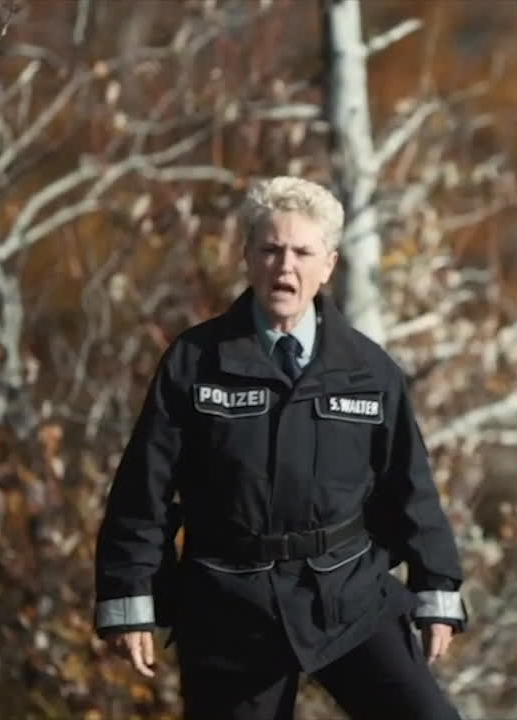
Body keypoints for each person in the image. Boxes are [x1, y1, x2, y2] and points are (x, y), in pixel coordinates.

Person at [93, 176, 466, 719]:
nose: (284, 267)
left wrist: (437, 587)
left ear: (328, 265)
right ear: (247, 257)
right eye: (270, 250)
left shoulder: (368, 370)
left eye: (302, 253)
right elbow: (143, 492)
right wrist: (129, 597)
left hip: (348, 593)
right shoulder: (195, 361)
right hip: (230, 607)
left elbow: (410, 486)